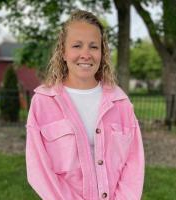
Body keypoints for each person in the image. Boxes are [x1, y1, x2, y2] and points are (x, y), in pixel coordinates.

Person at [26, 10, 145, 200]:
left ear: (102, 53)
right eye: (76, 45)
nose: (86, 54)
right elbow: (38, 169)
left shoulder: (120, 102)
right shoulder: (43, 102)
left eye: (93, 47)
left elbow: (134, 163)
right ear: (63, 52)